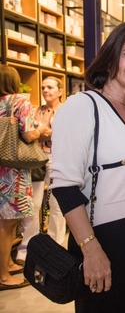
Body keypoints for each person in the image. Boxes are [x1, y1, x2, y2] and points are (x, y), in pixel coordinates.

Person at [49, 21, 125, 312]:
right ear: (112, 55)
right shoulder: (81, 108)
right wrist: (90, 247)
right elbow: (64, 187)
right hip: (104, 243)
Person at [16, 76, 66, 264]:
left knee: (57, 204)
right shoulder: (36, 110)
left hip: (57, 159)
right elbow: (29, 133)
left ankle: (56, 247)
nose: (46, 90)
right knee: (33, 205)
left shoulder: (66, 110)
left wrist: (43, 131)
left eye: (51, 87)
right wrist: (42, 132)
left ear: (60, 91)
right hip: (36, 159)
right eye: (43, 87)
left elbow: (66, 134)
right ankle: (26, 249)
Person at [0, 65, 40, 290]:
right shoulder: (19, 101)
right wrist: (39, 129)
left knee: (3, 221)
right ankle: (3, 276)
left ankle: (6, 262)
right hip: (11, 169)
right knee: (7, 223)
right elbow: (29, 133)